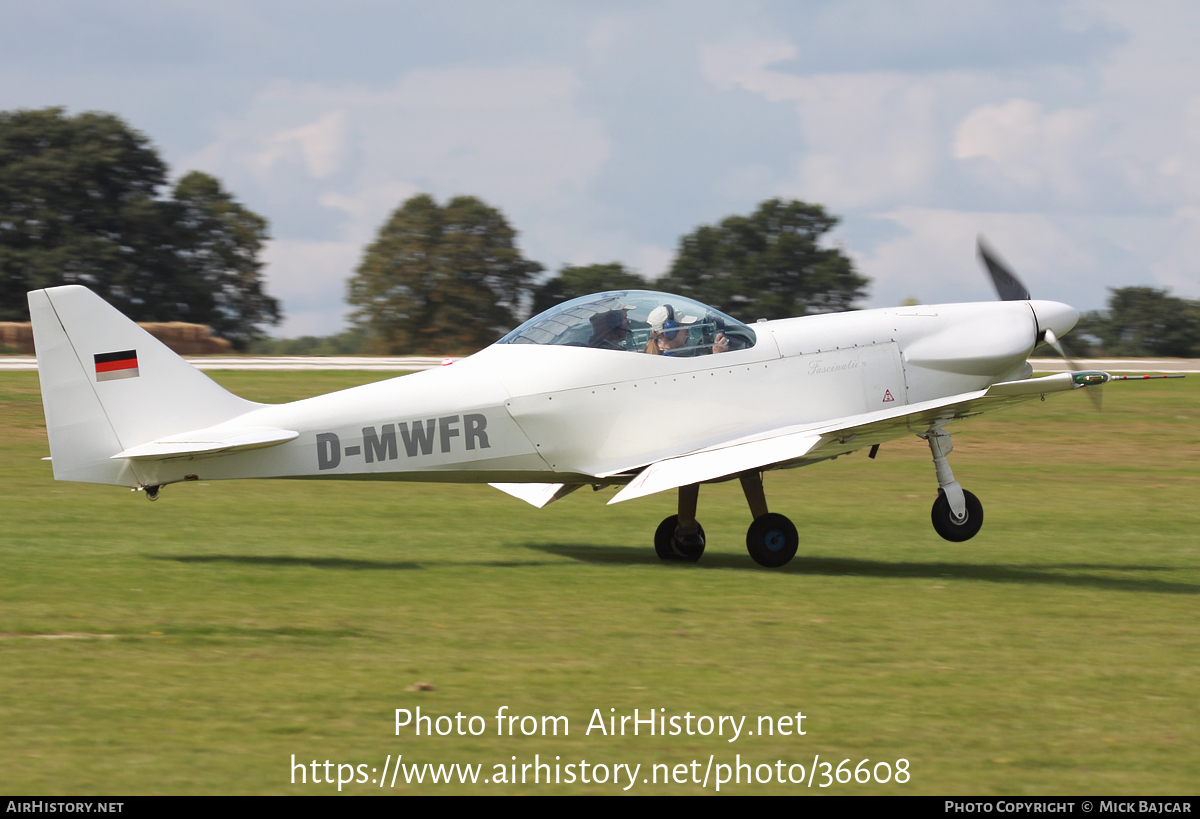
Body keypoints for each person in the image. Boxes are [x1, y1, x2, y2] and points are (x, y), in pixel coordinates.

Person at [644, 304, 729, 356]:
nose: (687, 331)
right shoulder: (668, 361)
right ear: (671, 330)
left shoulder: (661, 356)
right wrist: (716, 356)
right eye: (683, 326)